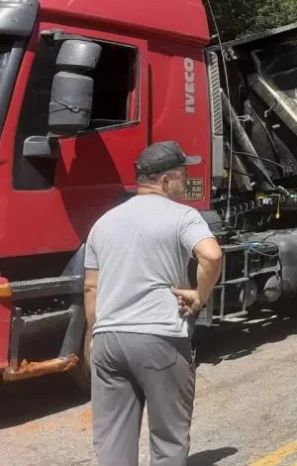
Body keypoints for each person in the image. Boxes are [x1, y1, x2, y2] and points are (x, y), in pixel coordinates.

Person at [83, 141, 223, 466]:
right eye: (182, 175)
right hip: (160, 337)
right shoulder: (182, 216)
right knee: (168, 442)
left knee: (112, 443)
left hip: (108, 341)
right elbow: (211, 255)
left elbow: (91, 288)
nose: (186, 181)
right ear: (164, 180)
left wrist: (95, 334)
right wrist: (200, 295)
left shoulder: (102, 223)